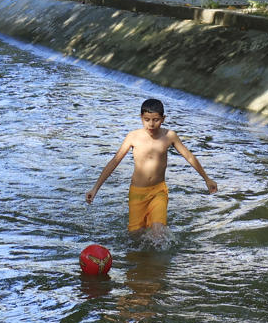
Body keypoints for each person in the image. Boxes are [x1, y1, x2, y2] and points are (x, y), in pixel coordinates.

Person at [85, 97, 217, 237]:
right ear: (141, 117)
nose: (151, 124)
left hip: (158, 191)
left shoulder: (169, 136)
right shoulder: (133, 137)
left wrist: (207, 179)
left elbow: (189, 156)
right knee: (135, 236)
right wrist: (95, 188)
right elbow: (114, 161)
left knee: (158, 233)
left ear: (163, 118)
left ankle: (160, 257)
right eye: (147, 119)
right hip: (137, 192)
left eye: (156, 120)